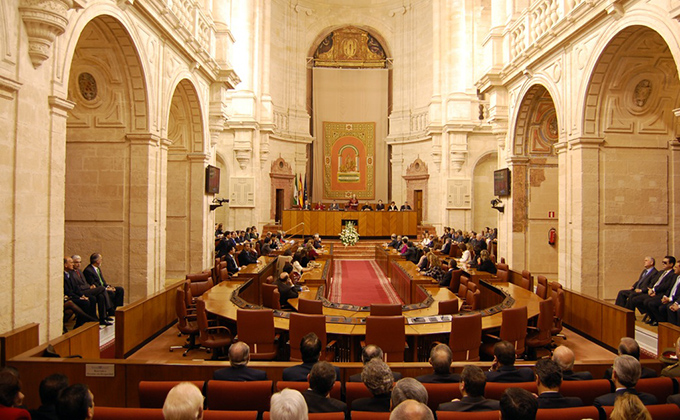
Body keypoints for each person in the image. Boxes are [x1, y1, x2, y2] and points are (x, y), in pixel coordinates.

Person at [630, 256, 676, 325]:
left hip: (661, 294)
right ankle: (652, 316)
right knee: (635, 299)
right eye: (662, 262)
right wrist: (650, 289)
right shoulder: (661, 272)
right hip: (652, 292)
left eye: (665, 263)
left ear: (671, 264)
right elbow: (654, 282)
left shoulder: (672, 274)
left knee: (649, 302)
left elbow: (666, 286)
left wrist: (655, 290)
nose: (663, 264)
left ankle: (658, 320)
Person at [70, 254, 112, 325]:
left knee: (100, 296)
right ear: (72, 263)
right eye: (76, 262)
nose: (78, 264)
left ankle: (103, 317)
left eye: (80, 262)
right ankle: (109, 308)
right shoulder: (71, 273)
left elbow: (85, 282)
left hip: (86, 289)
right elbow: (76, 287)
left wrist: (90, 286)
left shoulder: (79, 271)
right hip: (81, 292)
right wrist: (89, 287)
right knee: (101, 288)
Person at [63, 257, 100, 327]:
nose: (73, 264)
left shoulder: (70, 274)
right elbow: (68, 291)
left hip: (74, 295)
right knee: (85, 302)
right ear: (65, 265)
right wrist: (79, 298)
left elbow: (76, 288)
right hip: (69, 297)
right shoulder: (63, 275)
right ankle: (84, 321)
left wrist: (81, 296)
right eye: (71, 262)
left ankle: (86, 320)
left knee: (92, 298)